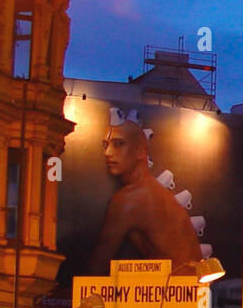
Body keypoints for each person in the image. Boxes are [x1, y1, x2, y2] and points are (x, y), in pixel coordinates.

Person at [87, 111, 207, 274]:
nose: (107, 153)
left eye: (118, 144)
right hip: (188, 290)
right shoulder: (153, 191)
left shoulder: (129, 200)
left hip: (171, 291)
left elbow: (96, 267)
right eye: (105, 145)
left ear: (140, 152)